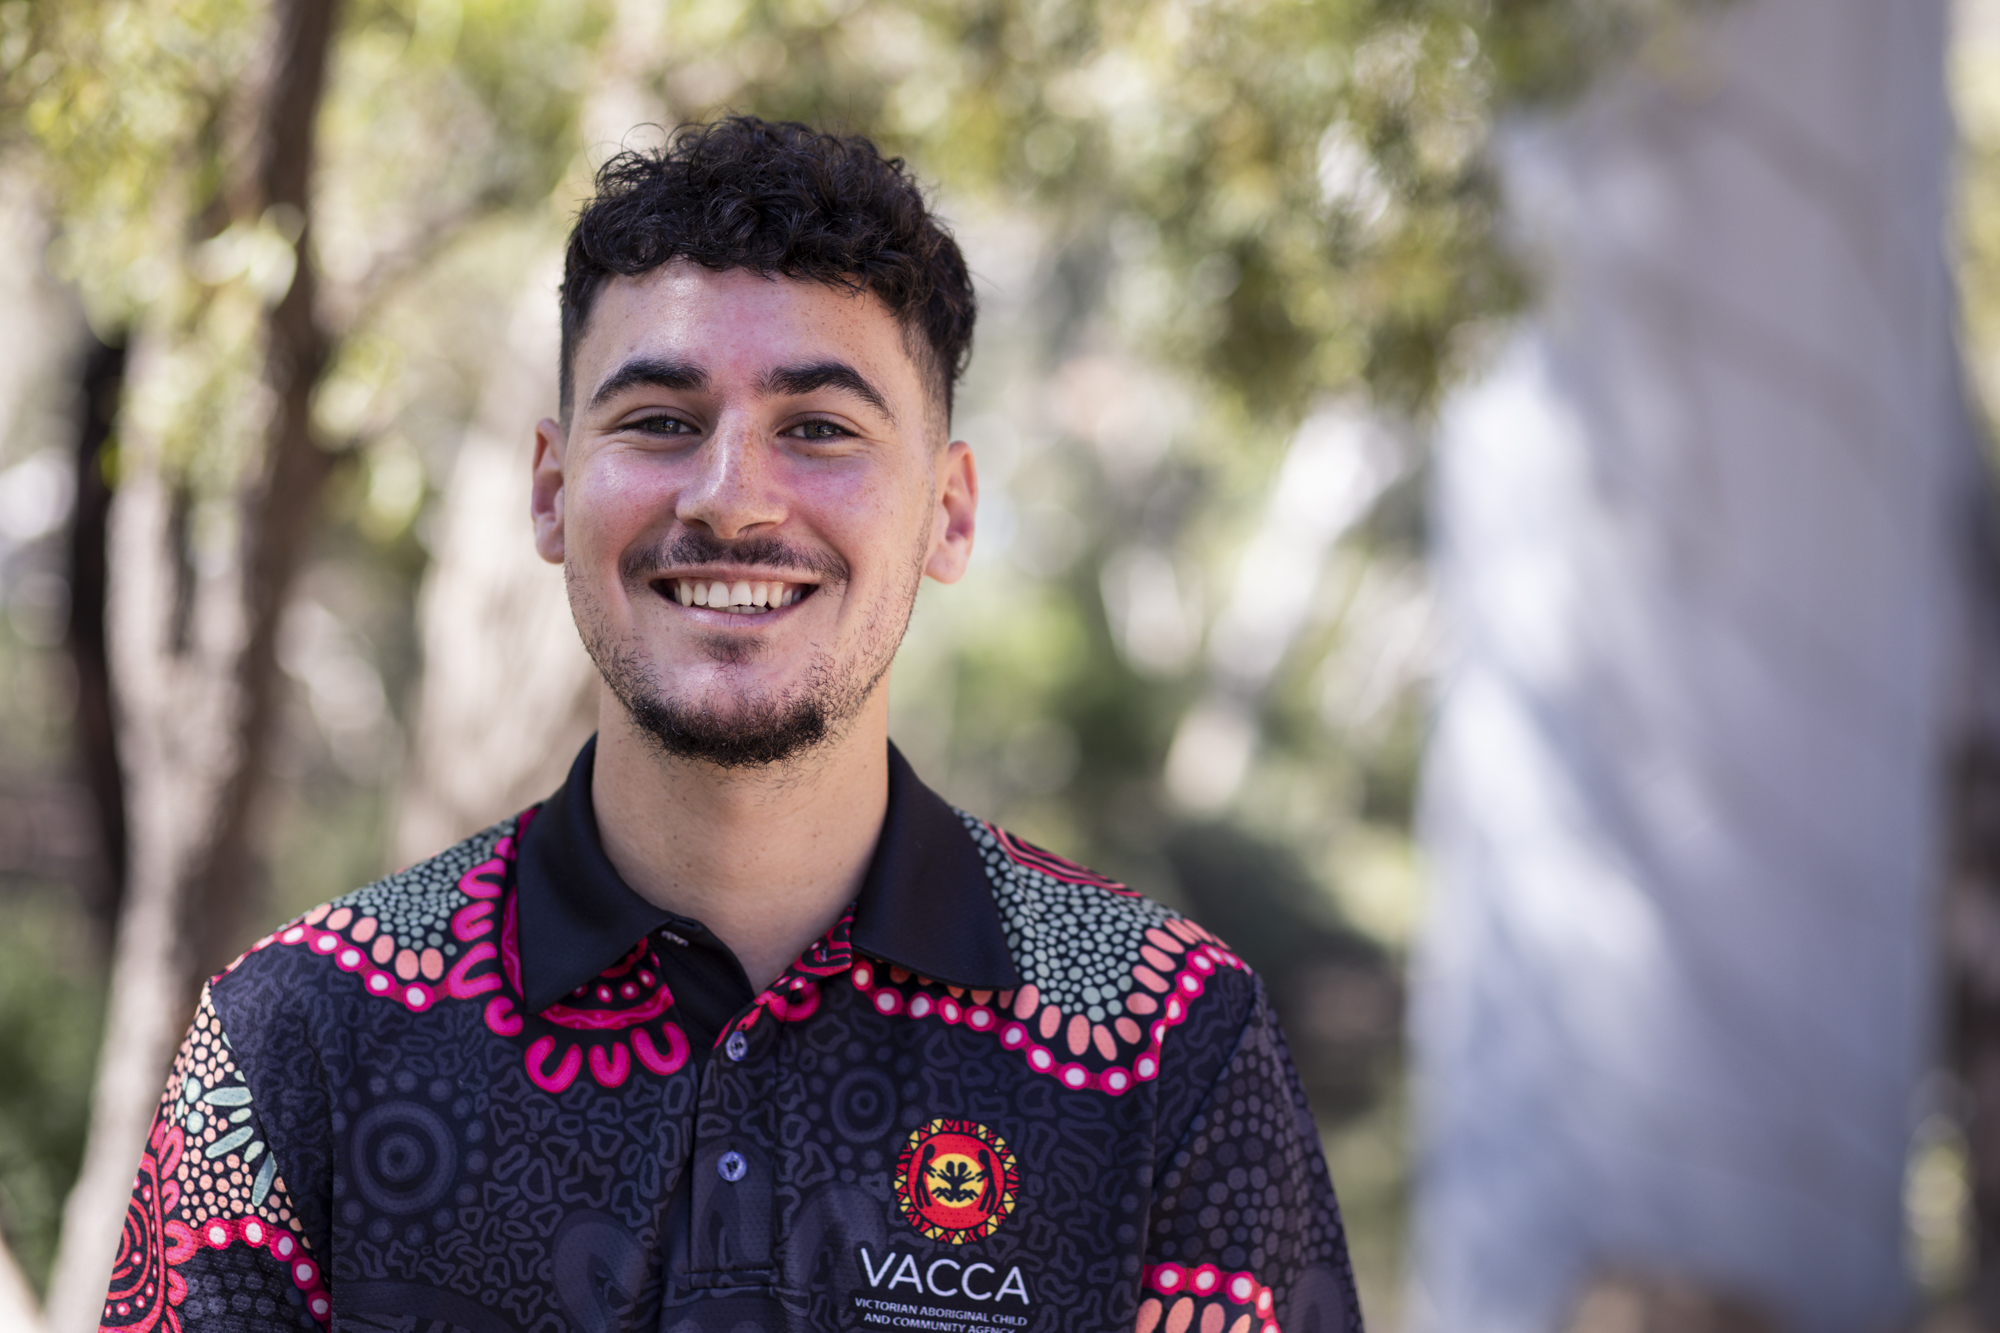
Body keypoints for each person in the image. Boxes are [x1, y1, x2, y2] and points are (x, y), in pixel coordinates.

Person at [96, 117, 1361, 1333]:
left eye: (818, 428)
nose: (733, 499)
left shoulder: (1166, 1046)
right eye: (661, 422)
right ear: (549, 488)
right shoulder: (297, 1045)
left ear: (949, 514)